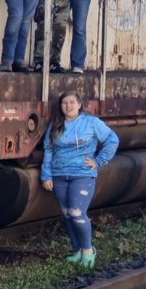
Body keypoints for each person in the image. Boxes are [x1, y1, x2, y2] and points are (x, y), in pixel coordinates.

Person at [41, 91, 119, 267]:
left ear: (79, 105)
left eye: (71, 103)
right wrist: (46, 175)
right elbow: (48, 150)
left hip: (82, 175)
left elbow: (112, 139)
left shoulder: (91, 123)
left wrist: (98, 161)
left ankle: (88, 253)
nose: (68, 106)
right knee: (68, 215)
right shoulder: (56, 125)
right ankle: (77, 252)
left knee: (77, 213)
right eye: (64, 103)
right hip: (59, 175)